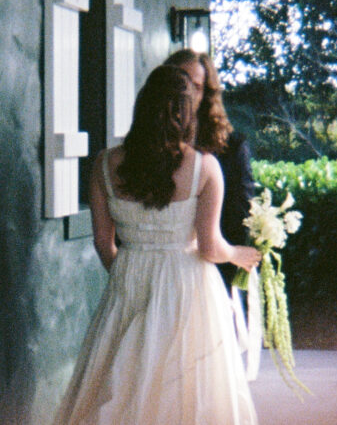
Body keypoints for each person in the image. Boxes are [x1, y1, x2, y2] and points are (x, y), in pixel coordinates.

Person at [52, 65, 261, 425]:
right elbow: (210, 247)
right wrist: (239, 254)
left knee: (124, 382)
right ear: (187, 112)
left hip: (128, 280)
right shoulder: (205, 167)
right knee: (184, 388)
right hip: (187, 287)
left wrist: (129, 271)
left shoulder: (104, 164)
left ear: (142, 106)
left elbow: (103, 242)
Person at [165, 48, 261, 380]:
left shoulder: (231, 148)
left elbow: (238, 218)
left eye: (196, 85)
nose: (186, 92)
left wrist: (224, 274)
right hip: (160, 277)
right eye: (180, 81)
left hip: (211, 273)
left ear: (207, 93)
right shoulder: (146, 147)